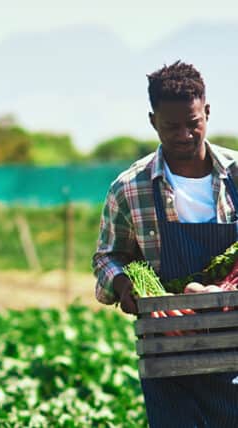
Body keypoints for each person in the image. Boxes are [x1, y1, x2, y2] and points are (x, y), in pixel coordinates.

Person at [92, 60, 238, 427]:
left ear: (207, 112)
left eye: (194, 123)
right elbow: (108, 256)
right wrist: (124, 286)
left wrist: (222, 292)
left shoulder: (236, 175)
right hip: (167, 349)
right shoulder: (130, 187)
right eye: (171, 126)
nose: (185, 134)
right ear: (153, 120)